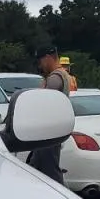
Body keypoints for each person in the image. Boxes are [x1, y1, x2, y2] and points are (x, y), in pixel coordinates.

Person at [24, 45, 72, 184]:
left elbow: (43, 102)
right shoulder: (62, 74)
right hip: (50, 131)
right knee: (35, 167)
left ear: (48, 58)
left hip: (49, 132)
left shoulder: (55, 77)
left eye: (40, 61)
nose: (40, 65)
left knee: (50, 171)